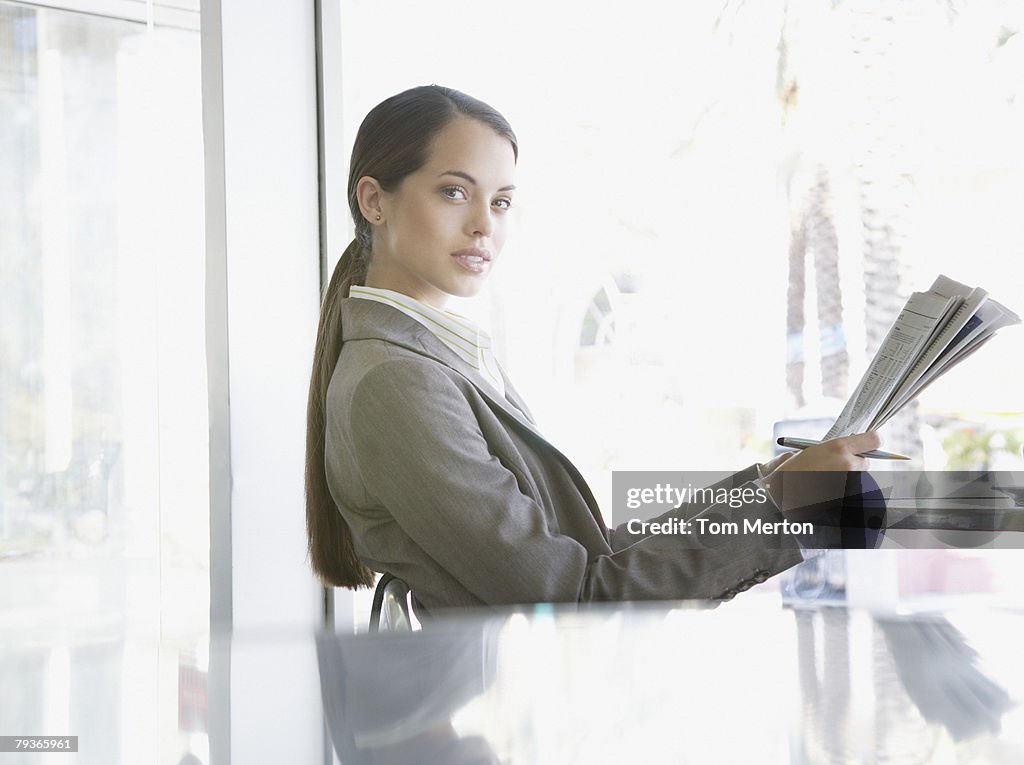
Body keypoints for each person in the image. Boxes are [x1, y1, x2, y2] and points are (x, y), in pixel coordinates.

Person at [304, 85, 881, 611]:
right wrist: (776, 507)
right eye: (455, 192)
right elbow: (574, 598)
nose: (485, 225)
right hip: (488, 709)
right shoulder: (399, 382)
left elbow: (588, 554)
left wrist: (769, 489)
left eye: (501, 202)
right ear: (374, 202)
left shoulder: (438, 357)